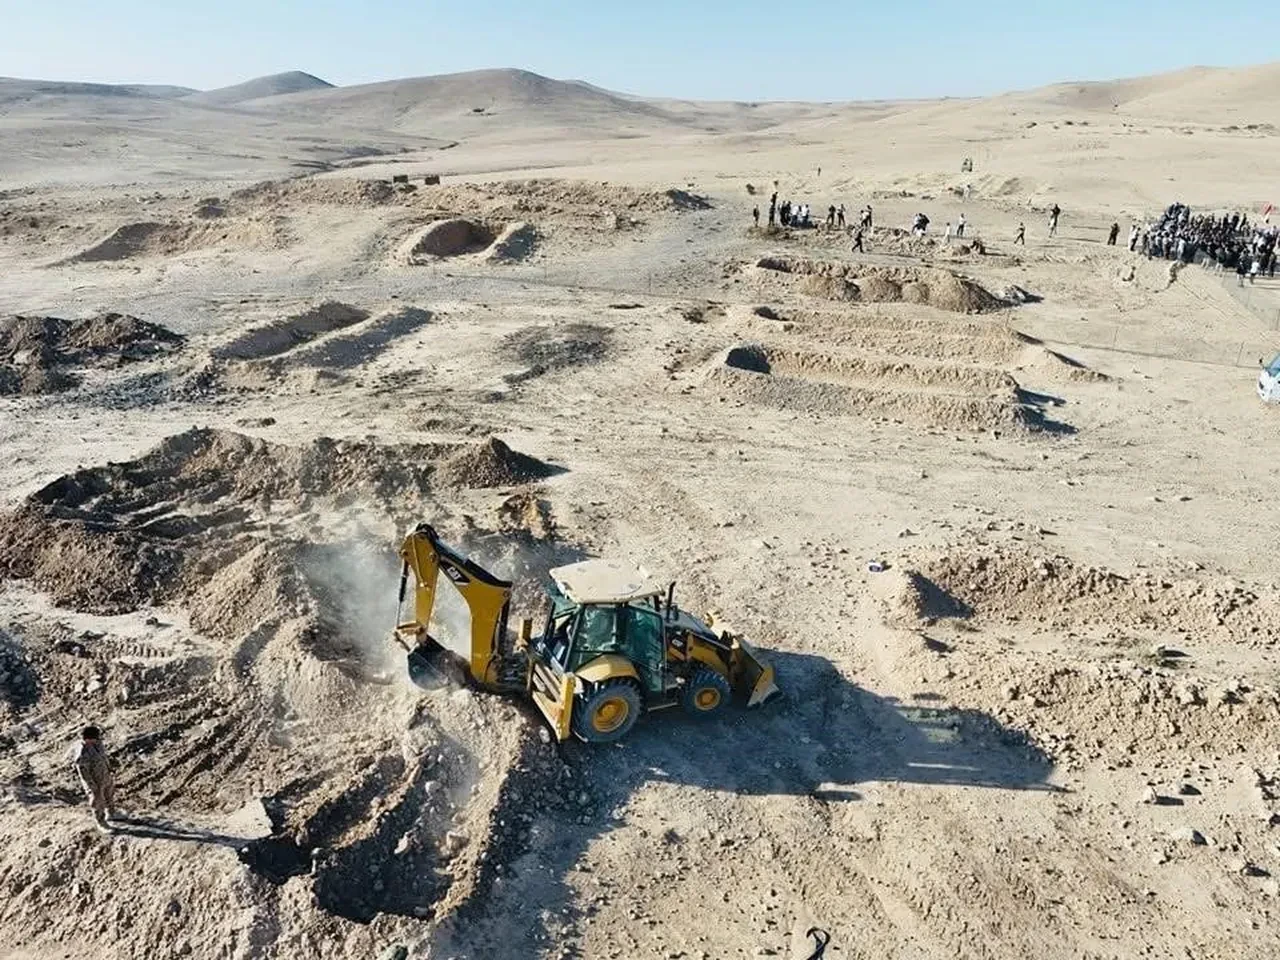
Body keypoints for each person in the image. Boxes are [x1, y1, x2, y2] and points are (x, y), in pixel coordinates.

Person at [73, 725, 117, 831]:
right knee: (97, 800)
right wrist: (92, 786)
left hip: (105, 775)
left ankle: (111, 813)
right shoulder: (82, 753)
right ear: (87, 739)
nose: (97, 740)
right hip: (94, 781)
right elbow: (84, 772)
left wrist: (109, 769)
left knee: (109, 794)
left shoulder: (97, 743)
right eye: (94, 739)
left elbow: (103, 757)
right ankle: (101, 822)